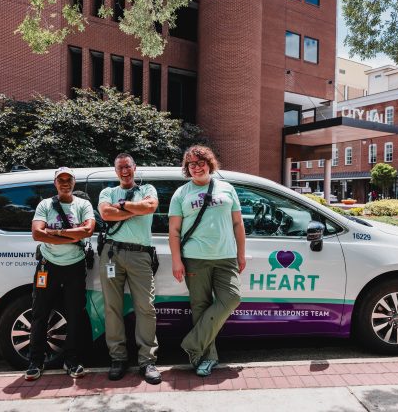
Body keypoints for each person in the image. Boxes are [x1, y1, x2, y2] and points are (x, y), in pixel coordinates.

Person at [168, 145, 246, 377]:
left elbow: (238, 223)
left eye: (200, 162)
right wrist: (176, 261)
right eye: (191, 164)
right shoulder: (181, 193)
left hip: (226, 257)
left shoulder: (227, 188)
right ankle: (207, 357)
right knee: (200, 307)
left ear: (209, 164)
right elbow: (174, 231)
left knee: (232, 297)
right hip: (195, 258)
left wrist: (241, 253)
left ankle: (192, 343)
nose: (196, 167)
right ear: (187, 168)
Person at [26, 167, 96, 381]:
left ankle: (71, 360)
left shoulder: (83, 205)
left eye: (68, 179)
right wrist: (72, 235)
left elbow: (88, 230)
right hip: (48, 266)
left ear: (74, 182)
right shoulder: (45, 205)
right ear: (55, 183)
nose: (65, 183)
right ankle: (35, 361)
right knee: (40, 314)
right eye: (61, 179)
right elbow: (37, 233)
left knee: (75, 314)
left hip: (75, 266)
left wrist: (54, 232)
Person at [98, 153, 162, 385]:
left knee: (146, 307)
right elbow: (106, 213)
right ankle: (118, 358)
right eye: (120, 168)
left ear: (135, 168)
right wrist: (138, 208)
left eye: (128, 166)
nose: (124, 171)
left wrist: (123, 206)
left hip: (140, 254)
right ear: (115, 171)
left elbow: (151, 206)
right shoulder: (107, 192)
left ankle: (147, 361)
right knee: (112, 307)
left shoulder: (148, 189)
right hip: (112, 253)